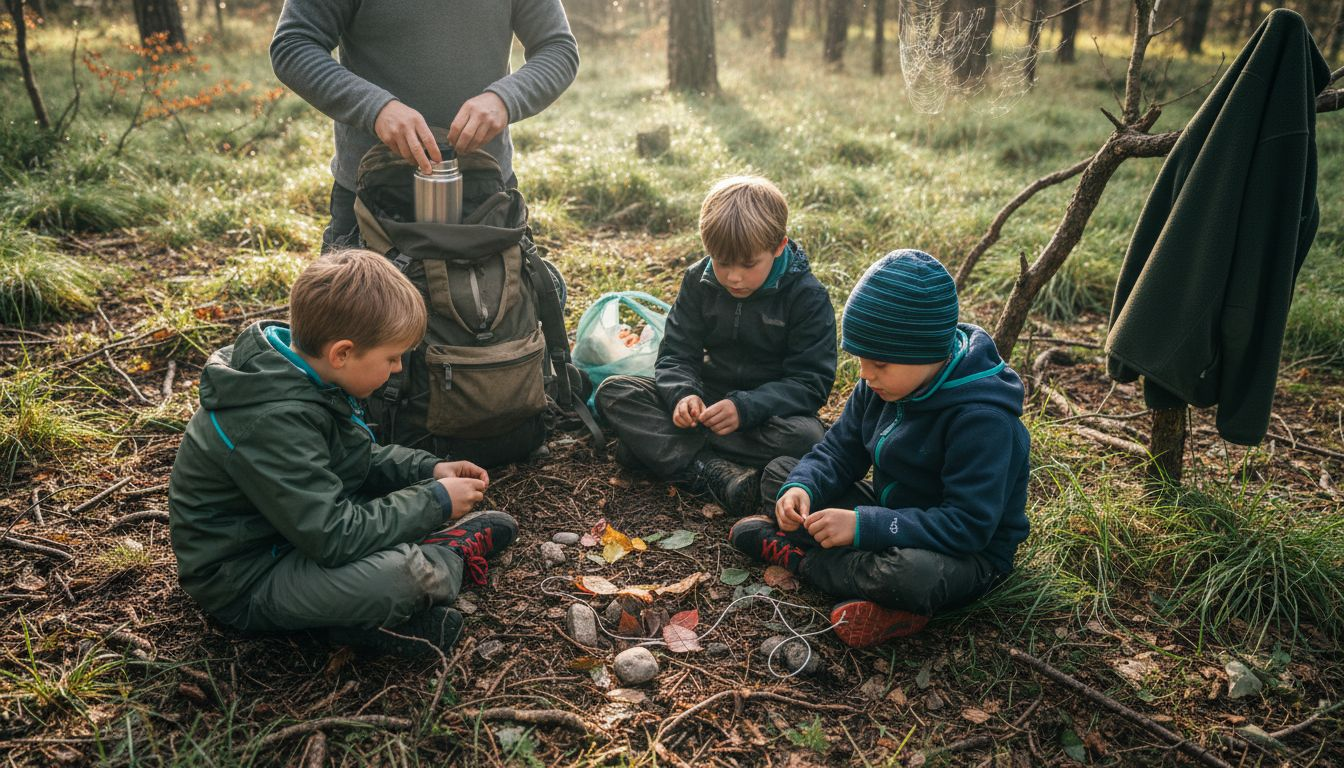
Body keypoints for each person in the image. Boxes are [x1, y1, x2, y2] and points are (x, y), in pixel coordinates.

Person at [168, 250, 517, 657]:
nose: (399, 369)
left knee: (392, 520)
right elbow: (334, 535)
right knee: (403, 578)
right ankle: (444, 557)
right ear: (343, 353)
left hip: (294, 535)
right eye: (391, 357)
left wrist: (431, 469)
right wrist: (435, 501)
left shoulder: (306, 378)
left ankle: (357, 618)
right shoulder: (272, 419)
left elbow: (359, 460)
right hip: (247, 577)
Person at [728, 250, 1031, 648]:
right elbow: (838, 451)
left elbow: (968, 526)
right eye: (860, 360)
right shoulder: (882, 385)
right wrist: (802, 488)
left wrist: (861, 526)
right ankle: (867, 586)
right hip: (892, 515)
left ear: (924, 352)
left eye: (879, 364)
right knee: (781, 473)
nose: (866, 374)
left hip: (966, 555)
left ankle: (800, 559)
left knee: (911, 575)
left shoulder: (983, 420)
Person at [596, 176, 837, 515]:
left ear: (779, 246)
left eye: (748, 264)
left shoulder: (806, 297)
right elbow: (677, 353)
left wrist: (745, 408)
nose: (734, 277)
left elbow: (810, 383)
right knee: (615, 392)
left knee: (808, 439)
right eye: (722, 263)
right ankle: (708, 471)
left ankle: (658, 450)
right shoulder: (699, 280)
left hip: (766, 416)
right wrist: (682, 395)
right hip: (706, 404)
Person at [270, 0, 580, 251]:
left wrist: (504, 99)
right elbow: (294, 44)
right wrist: (376, 108)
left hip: (484, 190)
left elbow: (557, 48)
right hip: (372, 194)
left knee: (503, 326)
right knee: (354, 327)